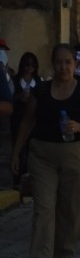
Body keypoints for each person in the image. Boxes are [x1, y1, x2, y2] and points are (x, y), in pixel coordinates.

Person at [11, 43, 80, 258]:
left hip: (74, 154)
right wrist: (16, 152)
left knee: (71, 209)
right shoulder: (41, 91)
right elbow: (27, 123)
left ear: (75, 65)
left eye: (68, 62)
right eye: (59, 62)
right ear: (52, 64)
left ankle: (63, 257)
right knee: (43, 207)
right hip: (42, 155)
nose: (63, 67)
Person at [10, 51, 39, 186]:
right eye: (27, 65)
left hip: (33, 122)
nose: (29, 68)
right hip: (17, 119)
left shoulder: (39, 82)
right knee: (18, 149)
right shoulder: (15, 81)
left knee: (32, 151)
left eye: (32, 65)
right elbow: (8, 99)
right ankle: (17, 180)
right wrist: (19, 97)